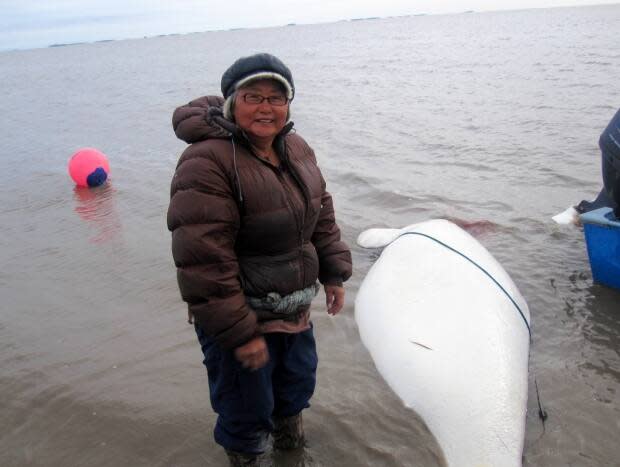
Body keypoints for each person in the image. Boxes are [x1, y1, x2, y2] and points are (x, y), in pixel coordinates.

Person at [167, 53, 352, 466]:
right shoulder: (207, 161)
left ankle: (292, 456)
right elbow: (203, 262)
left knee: (293, 394)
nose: (266, 108)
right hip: (241, 318)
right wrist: (240, 334)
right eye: (253, 97)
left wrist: (334, 273)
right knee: (245, 415)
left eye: (276, 97)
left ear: (288, 104)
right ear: (233, 102)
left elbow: (321, 212)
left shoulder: (297, 147)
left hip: (294, 308)